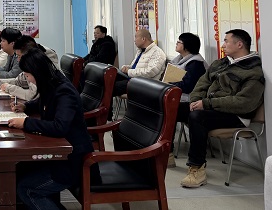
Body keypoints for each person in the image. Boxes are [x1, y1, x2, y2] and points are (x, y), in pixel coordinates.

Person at [8, 48, 95, 209]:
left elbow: (59, 127)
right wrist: (26, 106)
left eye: (27, 75)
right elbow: (45, 103)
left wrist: (26, 123)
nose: (28, 79)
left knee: (26, 188)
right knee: (15, 172)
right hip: (57, 155)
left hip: (71, 160)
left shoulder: (64, 91)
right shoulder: (52, 83)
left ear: (37, 72)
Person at [181, 29, 264, 188]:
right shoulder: (220, 63)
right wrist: (196, 100)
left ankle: (197, 169)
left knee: (197, 117)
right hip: (212, 108)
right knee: (173, 108)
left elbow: (244, 103)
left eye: (226, 41)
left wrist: (206, 104)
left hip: (237, 116)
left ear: (239, 44)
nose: (223, 44)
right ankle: (165, 153)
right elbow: (202, 84)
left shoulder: (253, 71)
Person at [167, 32, 207, 168]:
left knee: (168, 110)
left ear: (187, 46)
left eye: (179, 42)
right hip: (179, 98)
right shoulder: (179, 59)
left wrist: (169, 84)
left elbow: (188, 86)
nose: (176, 43)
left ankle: (168, 152)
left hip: (190, 101)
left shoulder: (196, 63)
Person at [0, 35, 56, 101]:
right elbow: (18, 81)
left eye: (19, 56)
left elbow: (33, 95)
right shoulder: (30, 64)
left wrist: (9, 88)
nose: (18, 60)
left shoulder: (41, 66)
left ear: (29, 54)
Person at [112, 29, 166, 98]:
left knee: (112, 87)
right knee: (108, 80)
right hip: (133, 79)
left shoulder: (157, 53)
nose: (134, 41)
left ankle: (105, 104)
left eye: (136, 37)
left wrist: (129, 71)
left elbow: (150, 72)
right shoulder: (141, 51)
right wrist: (126, 67)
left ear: (143, 39)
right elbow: (134, 66)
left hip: (143, 84)